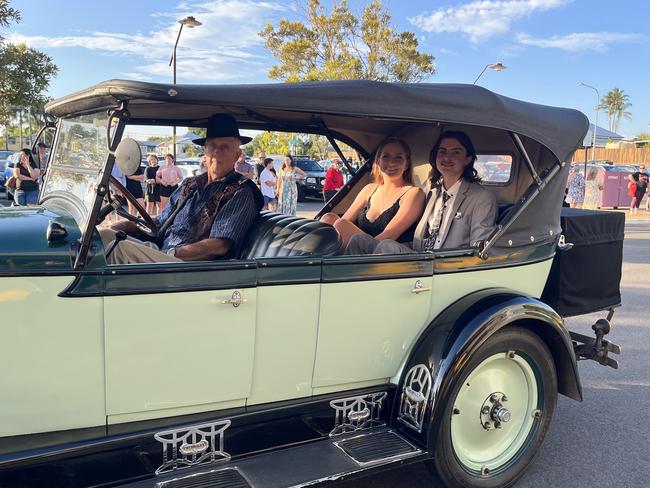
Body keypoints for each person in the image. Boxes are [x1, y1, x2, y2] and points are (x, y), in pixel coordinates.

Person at [100, 113, 263, 264]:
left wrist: (170, 254)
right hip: (164, 254)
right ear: (205, 151)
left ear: (237, 155)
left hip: (189, 269)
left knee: (115, 247)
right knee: (104, 235)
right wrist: (122, 226)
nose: (216, 152)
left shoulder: (241, 191)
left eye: (225, 147)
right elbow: (159, 222)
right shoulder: (190, 184)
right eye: (212, 146)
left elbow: (219, 245)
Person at [346, 131, 497, 255]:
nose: (447, 157)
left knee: (386, 247)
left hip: (446, 266)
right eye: (442, 151)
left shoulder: (481, 198)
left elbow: (479, 250)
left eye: (456, 152)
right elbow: (422, 240)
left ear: (468, 159)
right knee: (359, 241)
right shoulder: (433, 193)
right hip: (421, 256)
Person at [321, 138, 424, 248]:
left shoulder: (413, 193)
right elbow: (346, 219)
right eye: (386, 156)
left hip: (386, 254)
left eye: (398, 158)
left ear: (406, 164)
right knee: (329, 218)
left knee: (341, 225)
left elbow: (389, 235)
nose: (391, 162)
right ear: (378, 161)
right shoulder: (370, 189)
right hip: (360, 251)